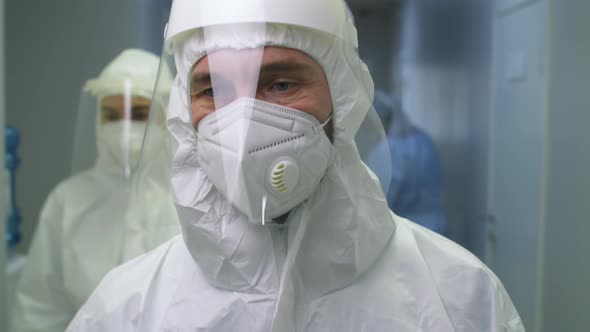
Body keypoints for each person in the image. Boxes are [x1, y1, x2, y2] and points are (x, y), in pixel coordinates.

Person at [68, 1, 524, 331]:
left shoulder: (460, 298)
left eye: (281, 83)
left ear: (342, 100)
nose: (243, 124)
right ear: (184, 113)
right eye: (214, 90)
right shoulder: (125, 309)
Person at [11, 49, 179, 332]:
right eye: (110, 115)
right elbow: (40, 309)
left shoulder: (192, 202)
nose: (123, 127)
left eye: (139, 113)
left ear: (168, 117)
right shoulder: (68, 202)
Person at [367, 90, 448, 235]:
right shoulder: (423, 138)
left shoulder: (389, 148)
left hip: (409, 228)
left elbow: (382, 194)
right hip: (436, 225)